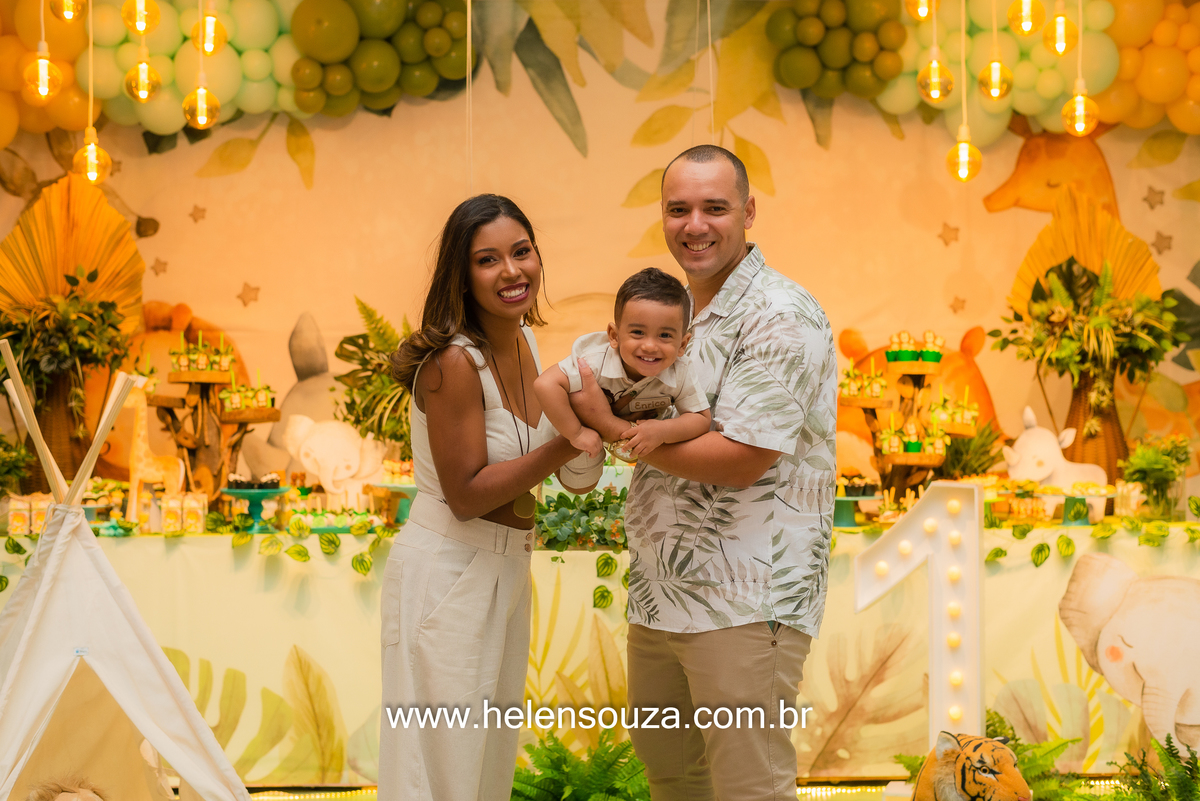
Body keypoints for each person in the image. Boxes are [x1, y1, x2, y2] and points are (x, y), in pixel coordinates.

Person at [570, 145, 838, 800]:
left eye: (714, 207)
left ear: (748, 212)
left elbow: (743, 458)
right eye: (678, 209)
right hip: (663, 592)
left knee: (748, 786)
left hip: (746, 594)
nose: (695, 225)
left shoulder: (780, 313)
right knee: (674, 780)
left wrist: (614, 430)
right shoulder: (674, 317)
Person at [379, 194, 600, 800]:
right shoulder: (454, 363)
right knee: (439, 770)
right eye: (487, 260)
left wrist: (595, 424)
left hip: (507, 570)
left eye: (521, 252)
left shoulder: (527, 344)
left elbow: (560, 462)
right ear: (461, 274)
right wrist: (571, 441)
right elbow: (466, 495)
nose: (511, 271)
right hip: (447, 572)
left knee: (487, 767)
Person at [533, 267, 711, 461]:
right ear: (614, 336)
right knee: (581, 471)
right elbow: (545, 384)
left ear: (682, 345)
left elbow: (701, 418)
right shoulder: (594, 361)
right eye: (638, 332)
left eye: (665, 335)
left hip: (620, 443)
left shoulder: (680, 370)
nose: (650, 346)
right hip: (570, 428)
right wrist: (577, 433)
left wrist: (663, 430)